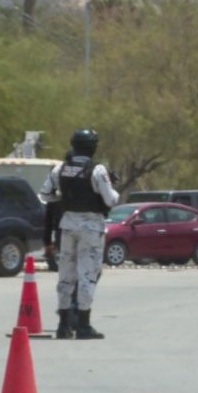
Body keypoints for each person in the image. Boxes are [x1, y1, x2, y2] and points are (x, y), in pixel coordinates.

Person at [40, 129, 118, 340]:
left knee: (66, 275)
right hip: (91, 226)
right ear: (92, 147)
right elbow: (111, 200)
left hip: (68, 225)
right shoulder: (97, 170)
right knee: (87, 275)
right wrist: (112, 185)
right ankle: (83, 325)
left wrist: (65, 200)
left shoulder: (60, 168)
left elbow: (46, 194)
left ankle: (63, 326)